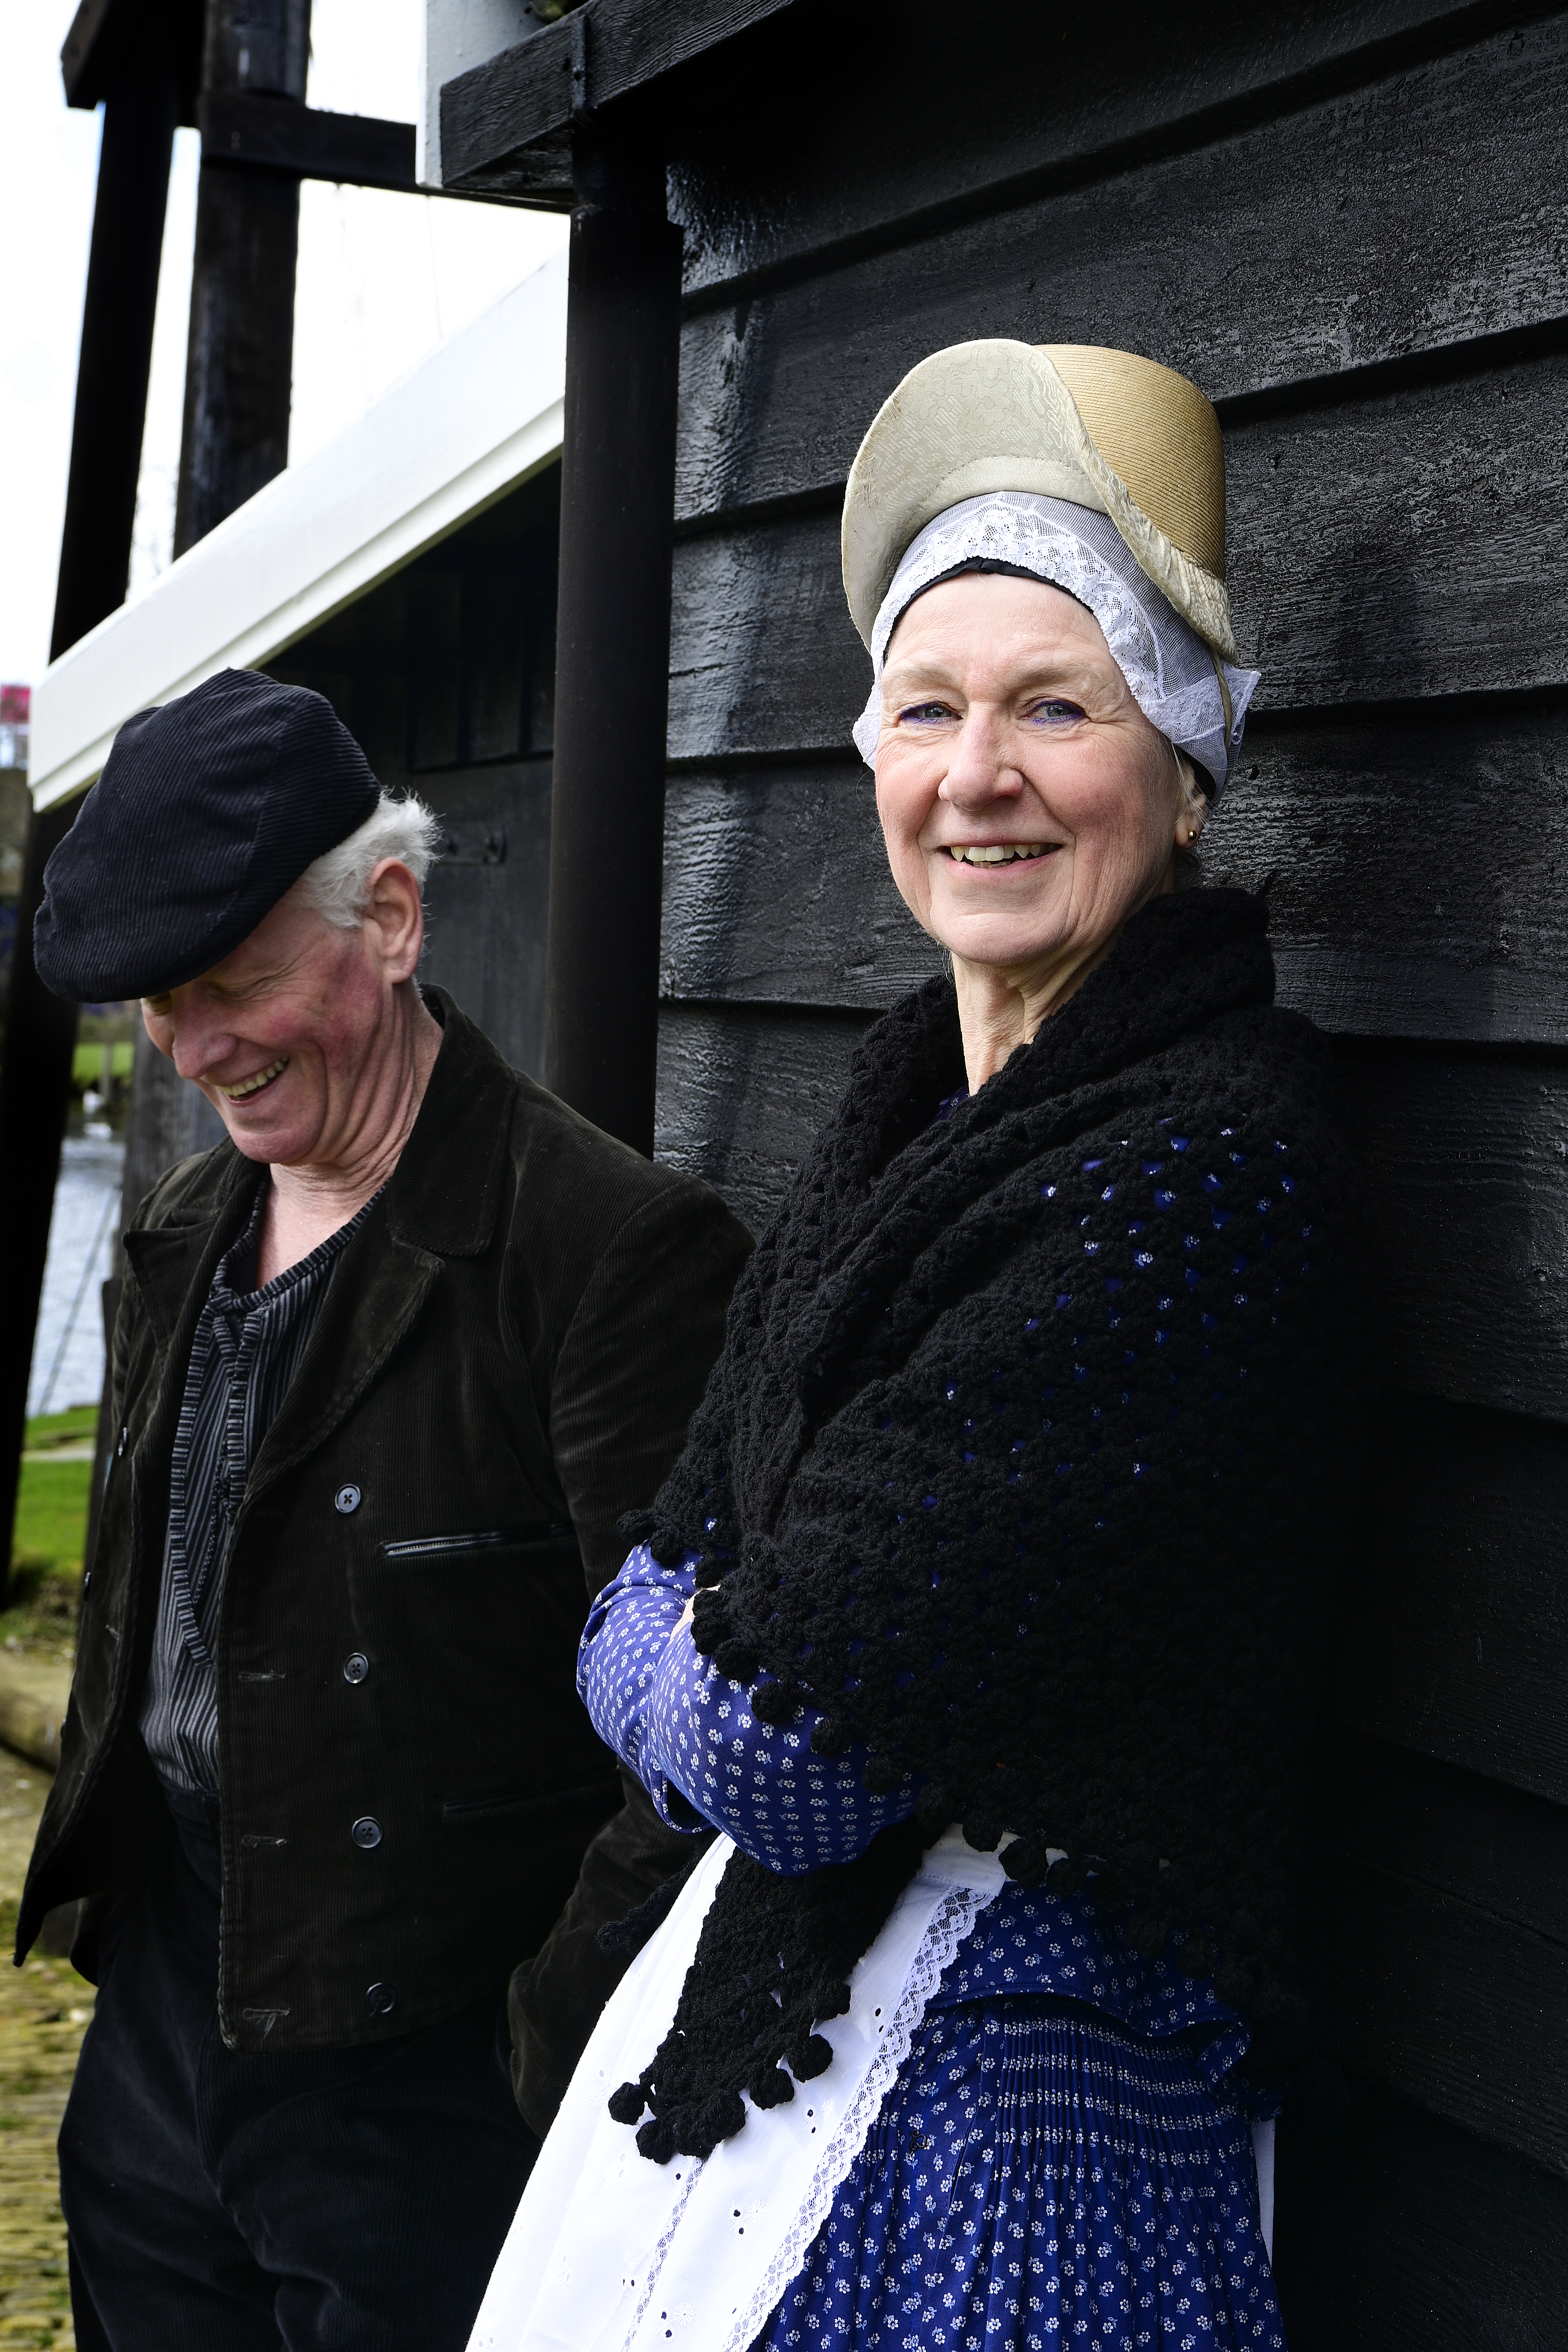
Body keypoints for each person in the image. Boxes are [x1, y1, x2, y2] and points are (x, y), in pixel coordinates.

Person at [468, 343, 1360, 2352]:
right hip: (815, 2042)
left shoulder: (1199, 1174)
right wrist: (701, 1627)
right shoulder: (904, 1127)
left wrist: (691, 1635)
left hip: (1024, 2135)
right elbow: (660, 1586)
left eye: (1059, 705)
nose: (979, 774)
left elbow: (776, 1756)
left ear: (1188, 765)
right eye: (928, 708)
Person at [17, 668, 751, 2349]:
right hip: (162, 2004)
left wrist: (536, 2050)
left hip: (431, 2066)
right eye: (158, 1002)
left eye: (237, 981)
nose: (196, 1048)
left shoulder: (613, 1253)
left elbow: (694, 1748)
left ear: (395, 916)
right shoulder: (182, 1229)